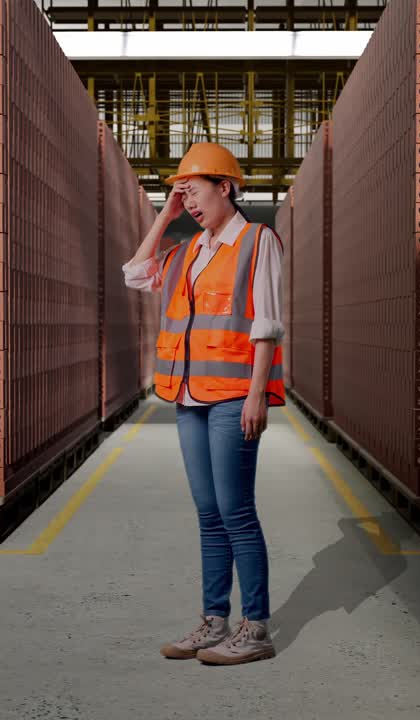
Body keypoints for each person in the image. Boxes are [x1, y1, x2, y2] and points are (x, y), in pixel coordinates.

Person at [121, 142, 286, 666]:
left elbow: (267, 324)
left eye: (195, 192)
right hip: (188, 396)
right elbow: (134, 273)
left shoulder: (259, 242)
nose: (189, 202)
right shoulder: (188, 251)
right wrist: (163, 217)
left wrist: (257, 394)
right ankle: (214, 621)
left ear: (227, 187)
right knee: (208, 513)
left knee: (237, 511)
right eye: (182, 194)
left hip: (234, 396)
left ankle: (255, 627)